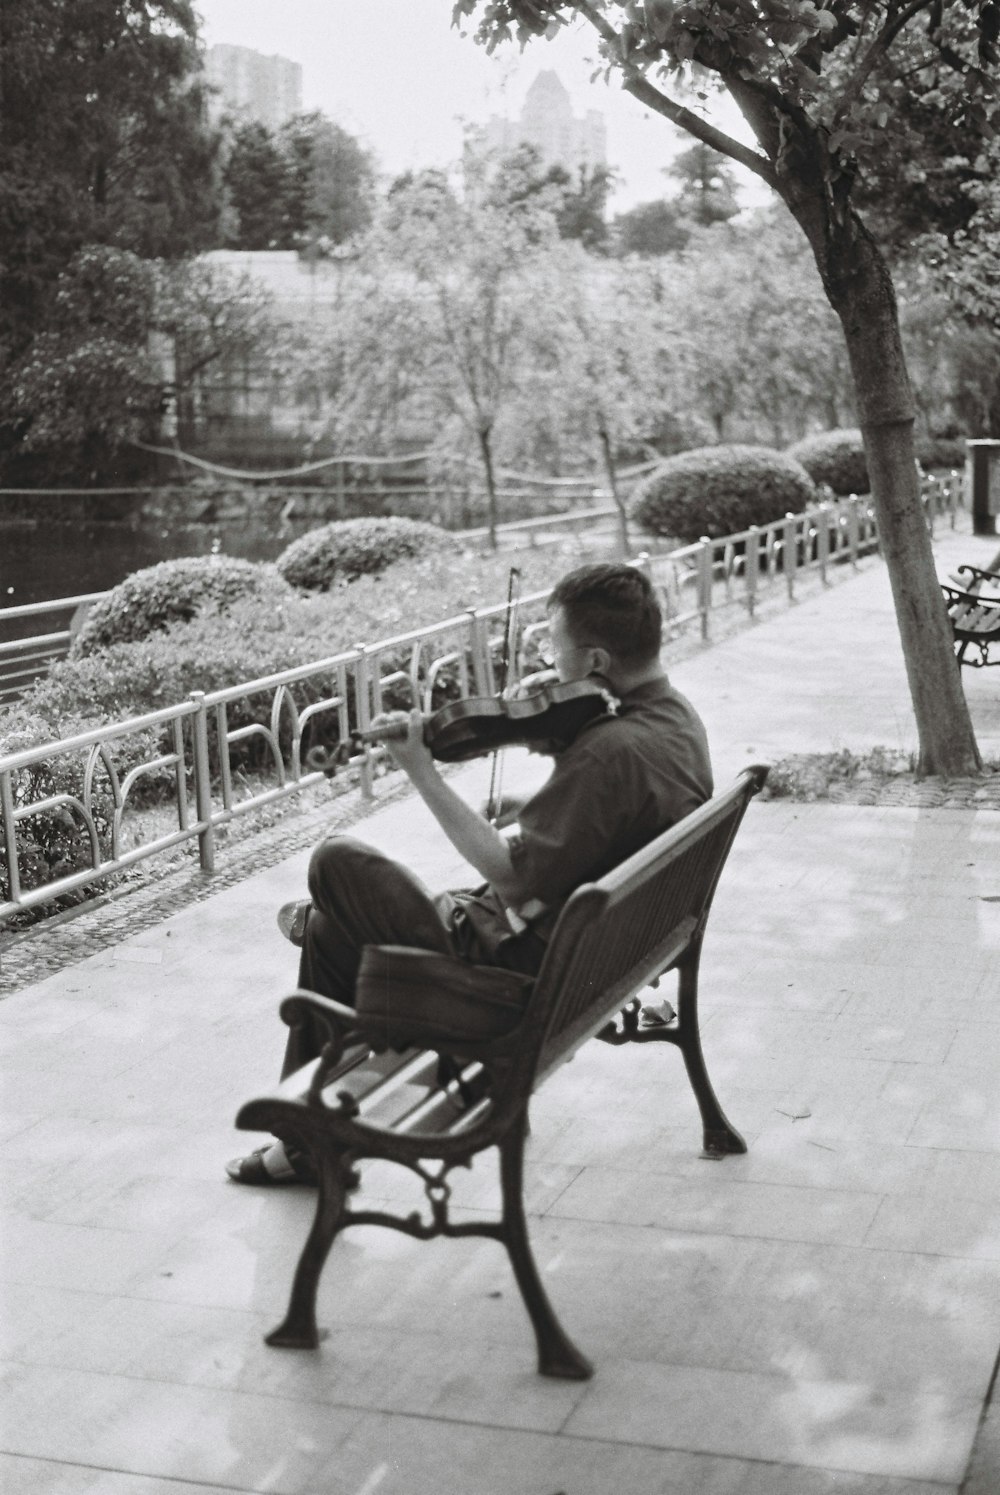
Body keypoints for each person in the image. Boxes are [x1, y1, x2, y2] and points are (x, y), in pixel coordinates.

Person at [227, 561, 713, 1184]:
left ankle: (305, 1138)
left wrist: (421, 769)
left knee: (335, 862)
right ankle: (303, 1143)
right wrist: (531, 807)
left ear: (594, 661)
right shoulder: (673, 717)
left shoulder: (609, 749)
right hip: (599, 951)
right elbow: (620, 810)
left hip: (513, 970)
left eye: (554, 646)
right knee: (329, 931)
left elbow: (510, 877)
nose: (546, 660)